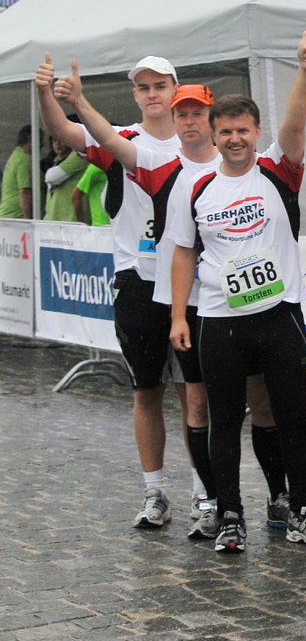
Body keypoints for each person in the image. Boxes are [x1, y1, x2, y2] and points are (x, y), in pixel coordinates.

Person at [164, 35, 306, 553]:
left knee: (291, 416)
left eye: (243, 131)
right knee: (224, 419)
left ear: (256, 133)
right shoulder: (194, 188)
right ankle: (230, 513)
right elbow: (183, 253)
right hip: (219, 319)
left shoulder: (279, 170)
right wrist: (178, 317)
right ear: (212, 137)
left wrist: (304, 72)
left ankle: (302, 508)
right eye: (226, 132)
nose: (235, 139)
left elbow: (294, 125)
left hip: (279, 316)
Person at [35, 55, 194, 530]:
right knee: (147, 390)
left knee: (195, 394)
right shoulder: (119, 138)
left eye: (160, 85)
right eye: (143, 87)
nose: (152, 94)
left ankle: (207, 492)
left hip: (191, 285)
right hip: (137, 281)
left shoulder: (198, 142)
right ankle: (155, 492)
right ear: (135, 95)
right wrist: (47, 93)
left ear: (175, 88)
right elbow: (65, 131)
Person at [42, 136, 90, 222]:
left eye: (61, 140)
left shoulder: (79, 157)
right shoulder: (56, 160)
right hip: (54, 217)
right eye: (54, 140)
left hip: (71, 219)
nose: (57, 143)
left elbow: (51, 177)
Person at [0, 126, 32, 219]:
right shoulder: (24, 159)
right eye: (41, 140)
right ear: (31, 141)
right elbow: (24, 191)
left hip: (7, 213)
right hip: (16, 215)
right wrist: (28, 220)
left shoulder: (16, 155)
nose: (42, 145)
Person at [73, 156, 109, 226]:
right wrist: (83, 225)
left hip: (121, 224)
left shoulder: (125, 166)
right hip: (101, 226)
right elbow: (75, 197)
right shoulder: (96, 168)